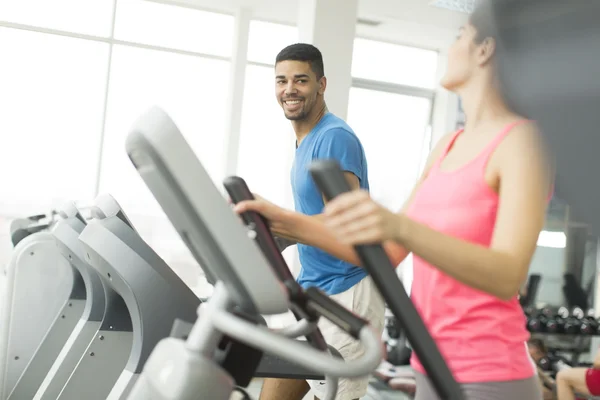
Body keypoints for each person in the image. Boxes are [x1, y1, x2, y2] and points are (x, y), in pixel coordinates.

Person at [237, 1, 552, 399]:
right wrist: (279, 221)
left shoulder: (522, 142)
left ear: (486, 49)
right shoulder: (446, 147)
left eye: (459, 37)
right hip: (430, 362)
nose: (451, 48)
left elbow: (508, 274)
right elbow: (382, 252)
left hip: (489, 369)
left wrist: (401, 225)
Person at [235, 43, 385, 400]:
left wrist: (281, 222)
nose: (289, 89)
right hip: (314, 293)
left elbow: (346, 231)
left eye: (300, 80)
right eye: (281, 81)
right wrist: (271, 234)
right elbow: (315, 222)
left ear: (321, 85)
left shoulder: (334, 138)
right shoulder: (306, 141)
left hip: (348, 295)